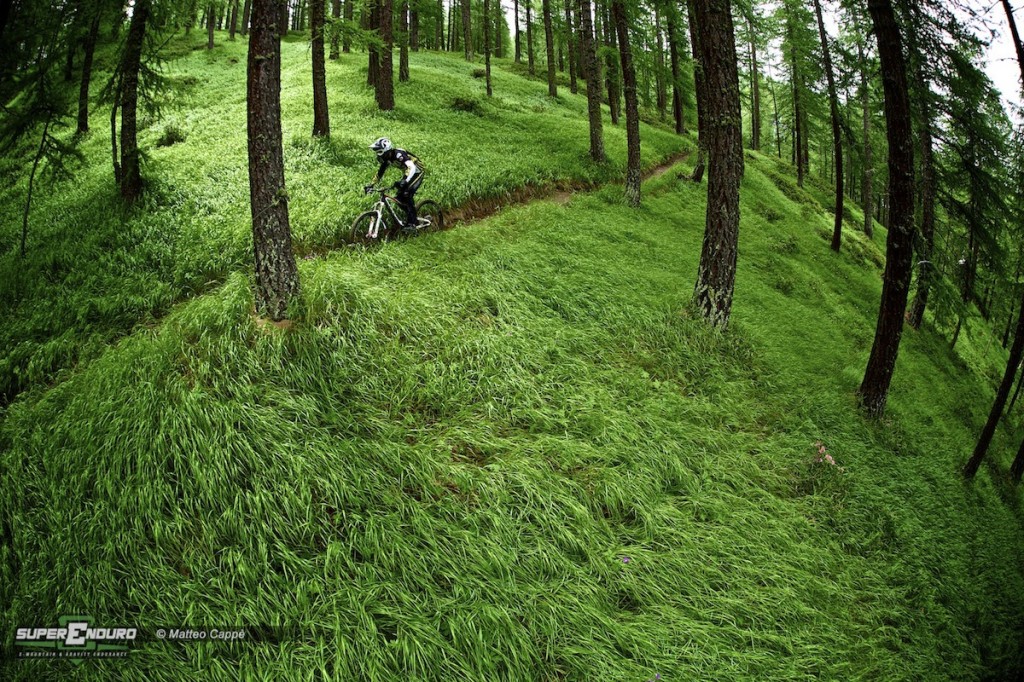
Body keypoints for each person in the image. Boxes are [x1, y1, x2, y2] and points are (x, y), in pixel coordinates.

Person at [364, 137, 425, 229]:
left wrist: (405, 180)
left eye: (380, 152)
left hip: (417, 171)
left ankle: (412, 223)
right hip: (409, 173)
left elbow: (411, 167)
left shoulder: (398, 154)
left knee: (407, 193)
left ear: (387, 150)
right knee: (399, 198)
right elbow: (380, 173)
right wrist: (371, 185)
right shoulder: (387, 159)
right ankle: (412, 215)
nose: (378, 155)